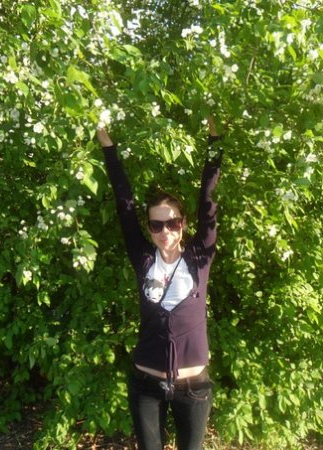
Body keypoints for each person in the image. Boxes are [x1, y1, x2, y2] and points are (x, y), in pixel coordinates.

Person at [95, 116, 223, 450]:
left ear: (183, 224)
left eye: (172, 223)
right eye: (156, 225)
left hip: (193, 388)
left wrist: (216, 140)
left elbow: (208, 202)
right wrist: (108, 148)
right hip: (146, 384)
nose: (165, 231)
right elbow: (124, 205)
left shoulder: (199, 257)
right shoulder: (143, 258)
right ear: (149, 228)